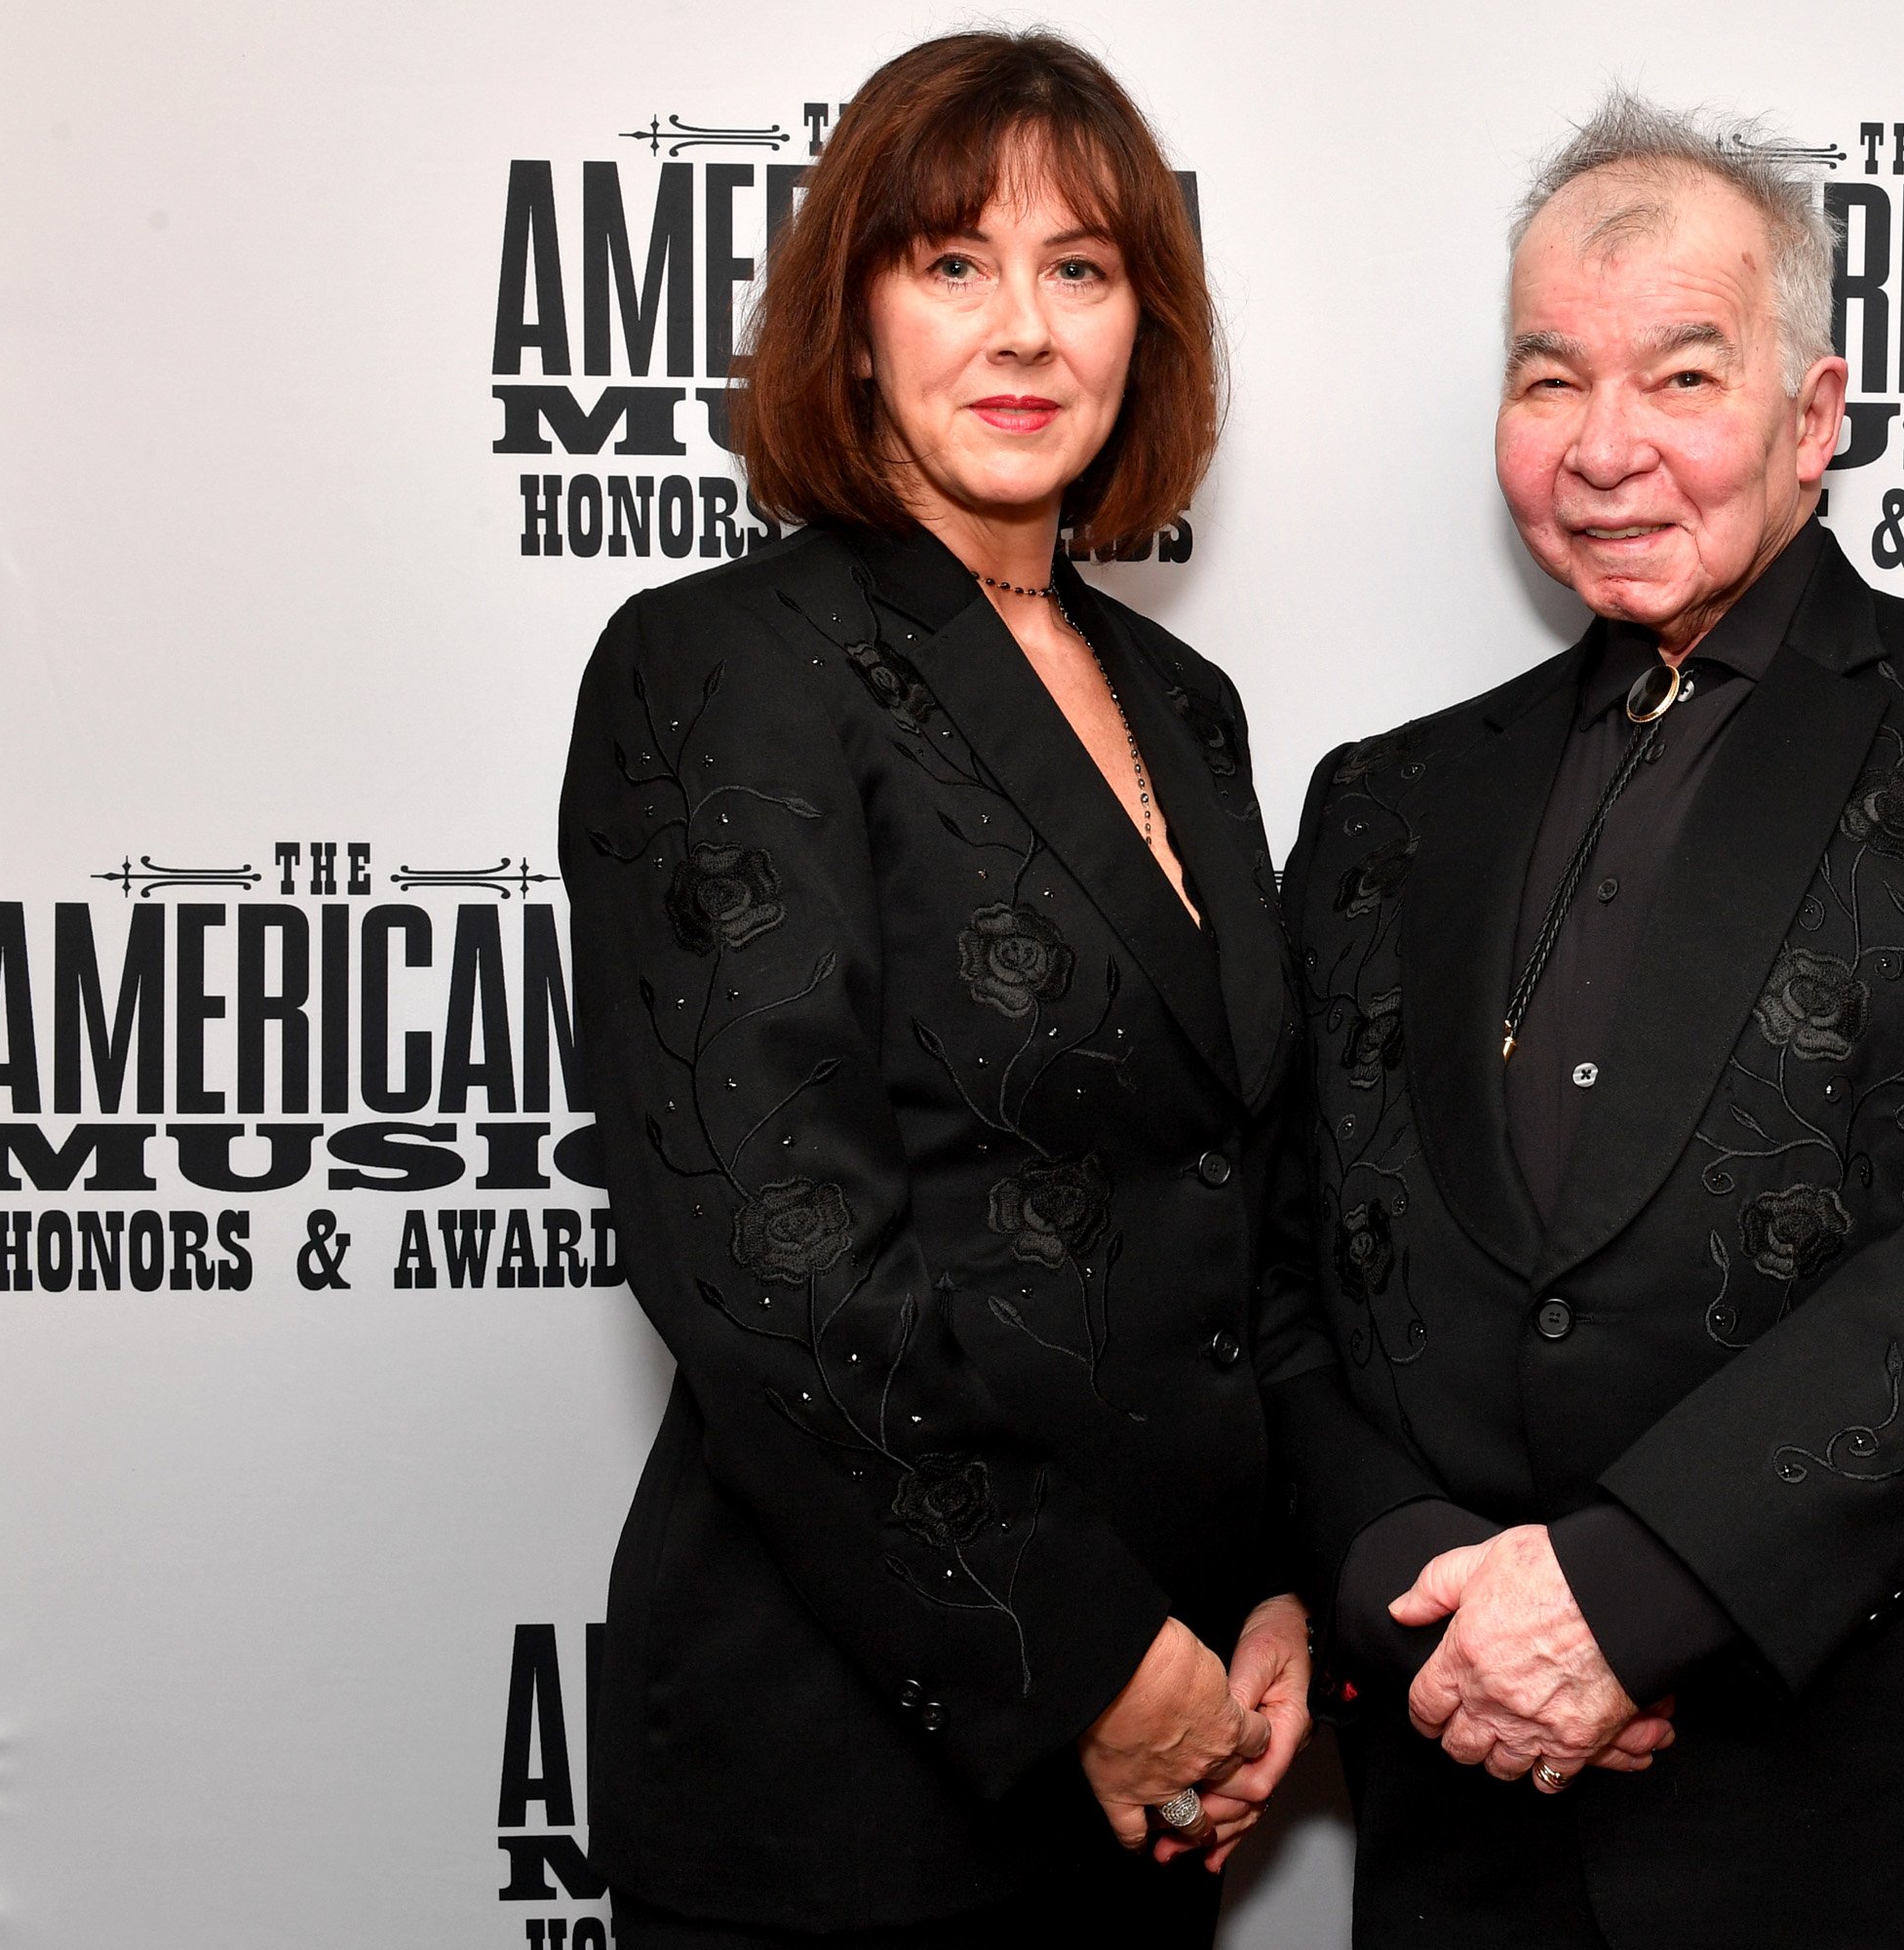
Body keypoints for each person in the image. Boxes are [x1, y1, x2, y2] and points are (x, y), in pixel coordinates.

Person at [1257, 92, 1904, 1947]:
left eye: (1683, 377)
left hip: (1902, 1843)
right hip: (1484, 1829)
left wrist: (1636, 1586)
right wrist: (1403, 1574)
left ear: (1814, 415)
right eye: (1549, 383)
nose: (1606, 450)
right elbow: (1287, 1271)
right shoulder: (1380, 804)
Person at [557, 32, 1311, 1949]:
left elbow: (1242, 1199)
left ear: (1147, 321)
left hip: (1161, 1759)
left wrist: (1272, 1599)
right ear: (858, 311)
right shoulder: (725, 664)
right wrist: (1087, 1657)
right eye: (951, 262)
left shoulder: (1187, 711)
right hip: (851, 1777)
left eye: (1082, 268)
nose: (1023, 329)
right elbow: (778, 1265)